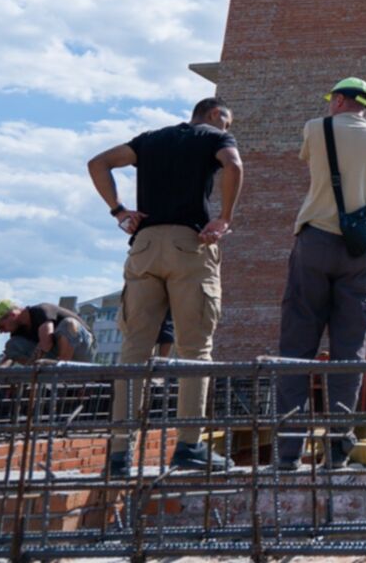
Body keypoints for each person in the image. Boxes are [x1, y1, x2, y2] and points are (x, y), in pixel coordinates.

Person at [87, 96, 243, 474]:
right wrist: (223, 218)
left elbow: (97, 163)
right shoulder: (213, 136)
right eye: (227, 122)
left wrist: (119, 210)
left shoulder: (150, 139)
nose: (227, 129)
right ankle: (188, 446)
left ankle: (120, 454)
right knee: (195, 349)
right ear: (213, 113)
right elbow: (234, 165)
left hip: (143, 246)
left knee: (134, 352)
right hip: (190, 246)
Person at [275, 77, 366, 470]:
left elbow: (315, 167)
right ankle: (337, 452)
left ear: (342, 100)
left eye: (333, 100)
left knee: (297, 348)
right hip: (360, 251)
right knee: (350, 348)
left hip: (314, 243)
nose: (330, 105)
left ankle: (289, 454)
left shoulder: (315, 129)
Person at [0, 300, 94, 365]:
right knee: (12, 345)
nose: (1, 331)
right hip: (54, 354)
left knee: (69, 323)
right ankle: (47, 371)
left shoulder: (40, 311)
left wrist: (31, 369)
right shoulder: (18, 331)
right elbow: (9, 357)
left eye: (0, 326)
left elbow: (46, 343)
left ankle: (61, 369)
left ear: (12, 315)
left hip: (82, 349)